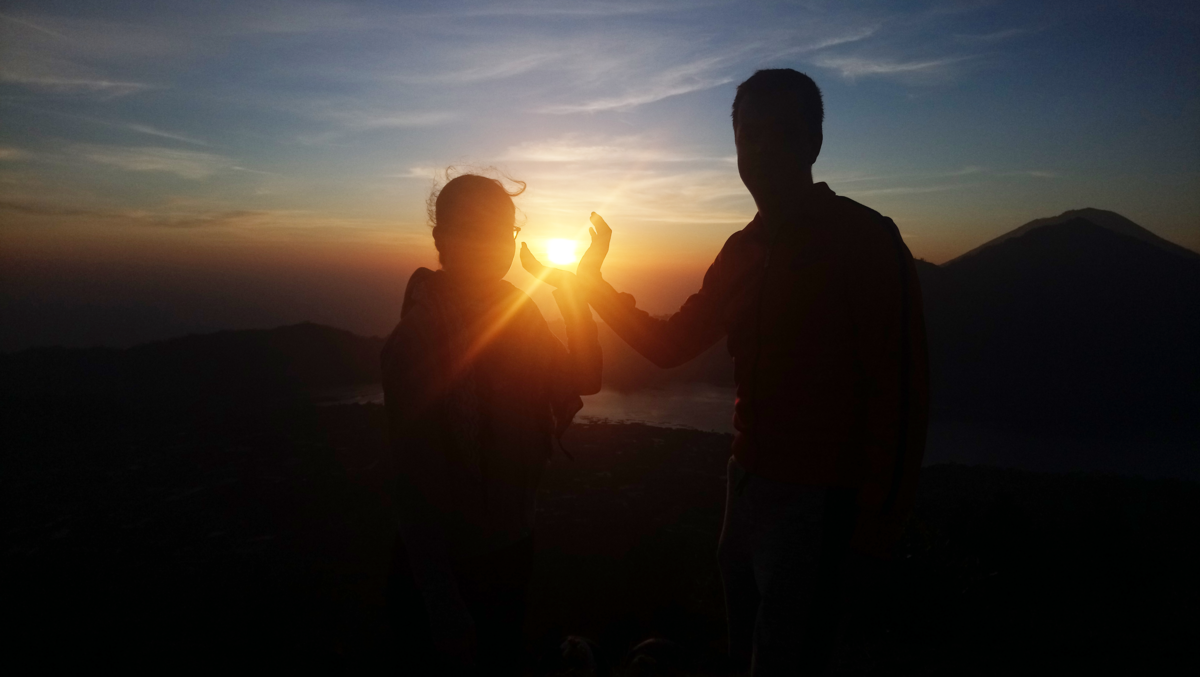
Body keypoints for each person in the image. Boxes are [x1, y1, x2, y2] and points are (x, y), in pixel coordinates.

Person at [567, 69, 929, 675]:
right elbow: (671, 344)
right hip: (746, 487)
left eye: (781, 133)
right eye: (749, 135)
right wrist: (591, 284)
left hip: (822, 505)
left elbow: (902, 395)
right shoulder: (741, 251)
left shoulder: (865, 240)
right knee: (747, 650)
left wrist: (875, 533)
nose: (762, 150)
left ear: (814, 142)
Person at [381, 173, 602, 674]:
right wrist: (442, 604)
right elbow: (413, 487)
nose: (493, 245)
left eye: (503, 231)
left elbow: (585, 377)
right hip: (447, 573)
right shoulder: (418, 339)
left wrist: (571, 293)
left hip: (509, 552)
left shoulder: (516, 314)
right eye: (476, 230)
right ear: (442, 240)